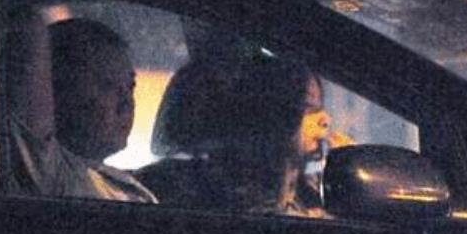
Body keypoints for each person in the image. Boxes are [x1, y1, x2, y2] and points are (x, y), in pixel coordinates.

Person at [142, 56, 336, 216]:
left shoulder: (307, 192)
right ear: (270, 116)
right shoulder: (187, 191)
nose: (325, 119)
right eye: (308, 107)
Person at [7, 11, 156, 203]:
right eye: (107, 85)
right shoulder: (52, 173)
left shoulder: (129, 182)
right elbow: (28, 28)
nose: (127, 103)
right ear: (57, 90)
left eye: (130, 86)